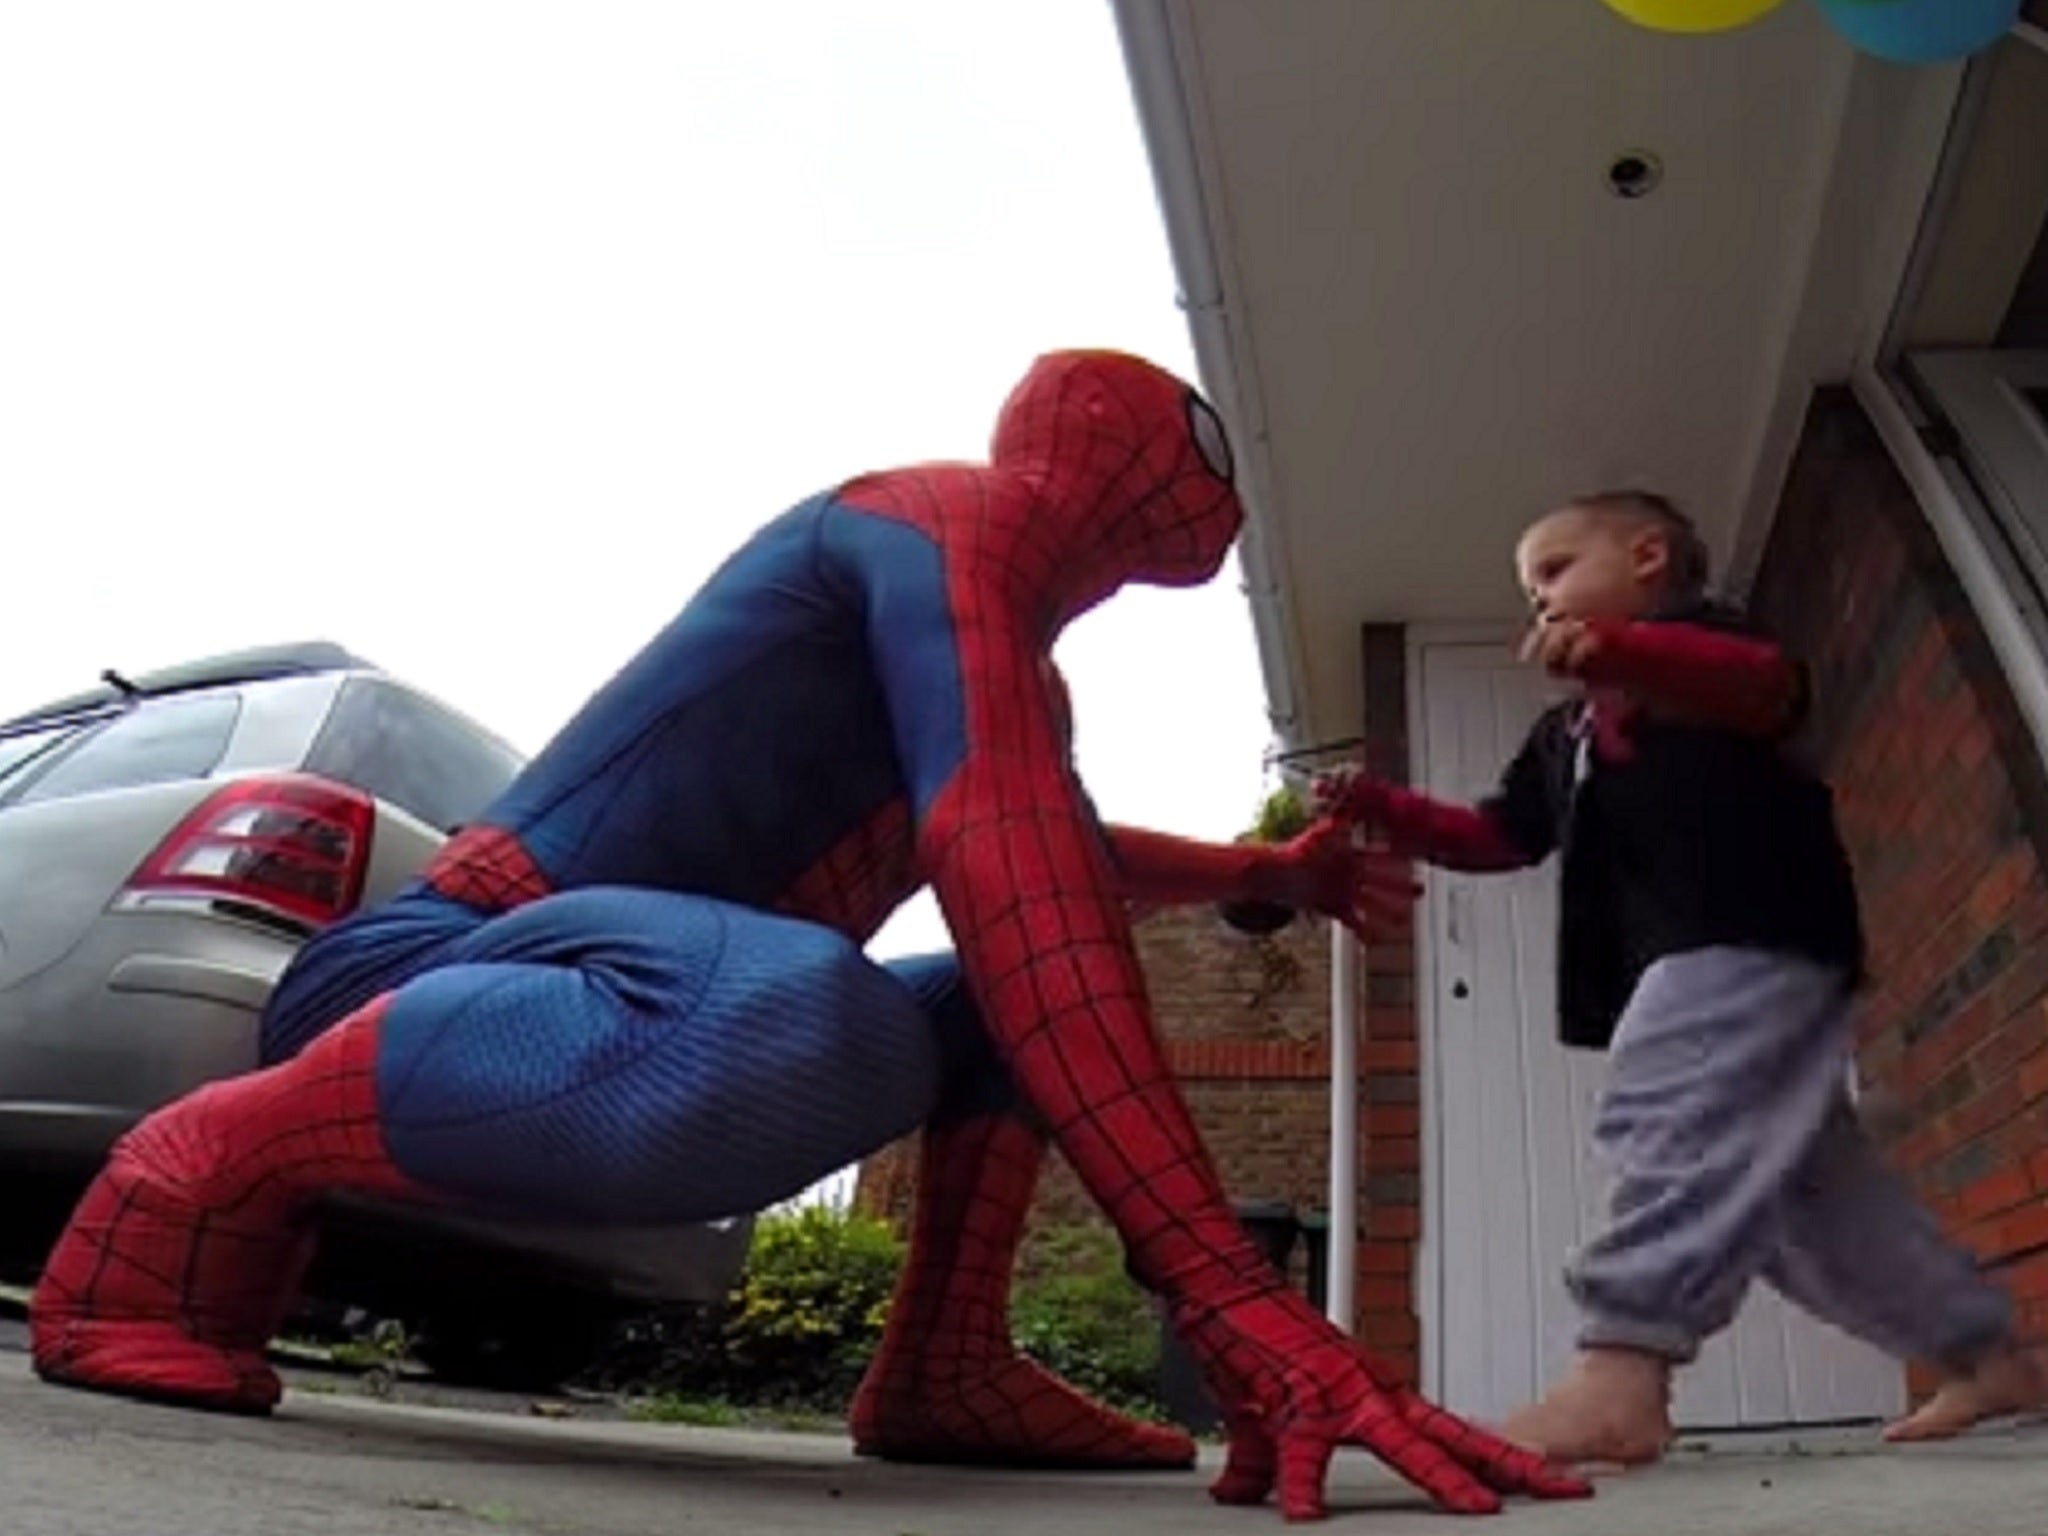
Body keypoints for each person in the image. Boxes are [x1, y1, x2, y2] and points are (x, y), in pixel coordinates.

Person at [30, 349, 1586, 1521]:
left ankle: (944, 1362)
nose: (1219, 490)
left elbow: (1058, 849)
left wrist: (1289, 881)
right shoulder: (931, 521)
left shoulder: (1003, 672)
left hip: (638, 1006)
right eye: (1198, 451)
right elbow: (1007, 852)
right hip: (445, 975)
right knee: (814, 1010)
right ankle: (202, 1163)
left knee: (962, 1002)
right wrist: (1222, 1285)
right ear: (1116, 454)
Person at [1323, 489, 2043, 1468]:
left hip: (1753, 929)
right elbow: (1495, 836)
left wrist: (1621, 657)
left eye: (1551, 572)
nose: (1537, 602)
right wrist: (1380, 804)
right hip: (1704, 952)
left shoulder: (1704, 645)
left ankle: (1620, 1375)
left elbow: (1762, 688)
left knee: (1669, 1109)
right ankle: (1983, 1352)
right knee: (1804, 1201)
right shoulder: (1562, 734)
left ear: (1648, 556)